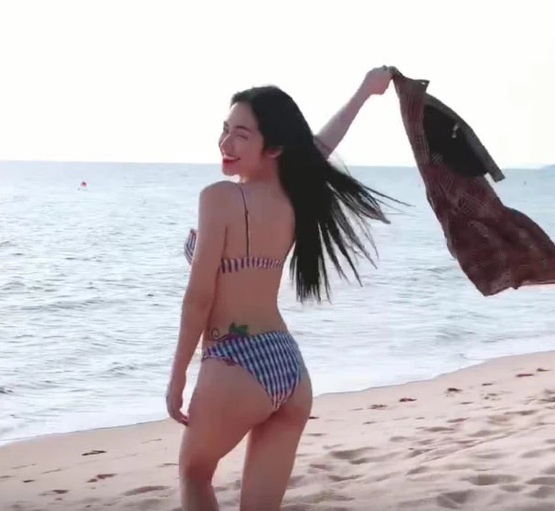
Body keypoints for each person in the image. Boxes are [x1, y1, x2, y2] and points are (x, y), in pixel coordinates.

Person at [167, 66, 396, 510]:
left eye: (241, 135)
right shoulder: (295, 193)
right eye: (225, 130)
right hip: (288, 371)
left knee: (194, 473)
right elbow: (322, 145)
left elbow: (198, 298)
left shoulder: (219, 198)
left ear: (273, 148)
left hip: (234, 361)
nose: (226, 143)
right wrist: (364, 92)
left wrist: (177, 378)